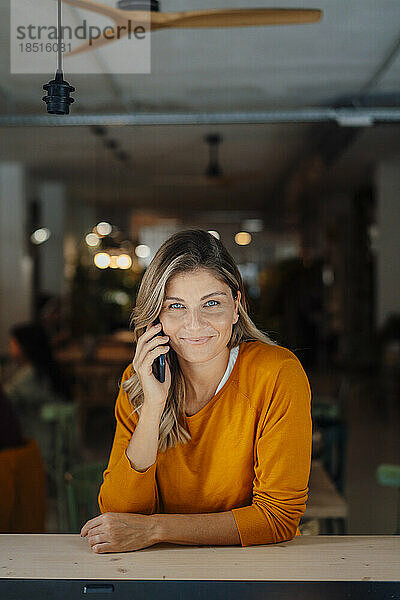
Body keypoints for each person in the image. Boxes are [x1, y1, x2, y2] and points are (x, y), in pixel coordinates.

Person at [81, 229, 312, 553]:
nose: (195, 324)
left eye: (211, 303)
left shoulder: (276, 373)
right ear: (155, 318)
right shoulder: (141, 378)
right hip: (160, 571)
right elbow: (120, 512)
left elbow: (278, 518)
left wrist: (155, 529)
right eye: (176, 306)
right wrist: (153, 406)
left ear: (236, 306)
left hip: (254, 567)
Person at [3, 322, 71, 468]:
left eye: (12, 342)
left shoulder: (29, 375)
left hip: (40, 440)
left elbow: (6, 401)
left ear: (24, 346)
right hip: (55, 439)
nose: (9, 346)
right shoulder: (46, 369)